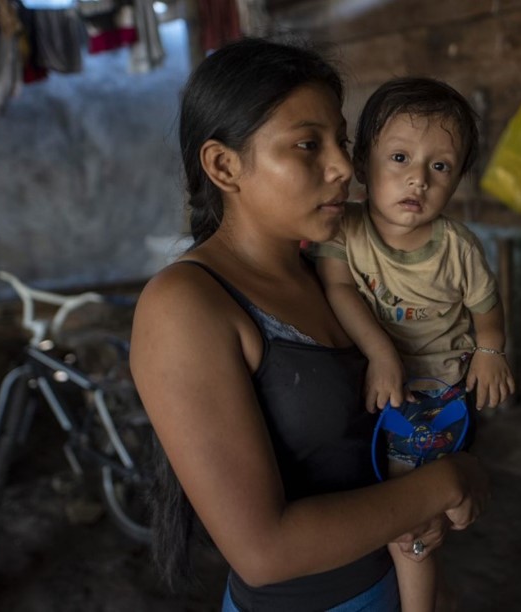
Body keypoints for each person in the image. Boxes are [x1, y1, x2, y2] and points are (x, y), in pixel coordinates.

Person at [129, 38, 490, 612]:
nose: (345, 166)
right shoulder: (187, 306)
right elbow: (264, 550)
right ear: (225, 165)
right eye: (307, 144)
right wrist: (448, 483)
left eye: (342, 142)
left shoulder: (333, 276)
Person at [313, 77, 515, 612]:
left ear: (458, 180)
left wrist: (491, 352)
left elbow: (486, 309)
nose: (418, 180)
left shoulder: (458, 249)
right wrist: (381, 353)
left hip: (434, 393)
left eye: (440, 166)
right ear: (362, 165)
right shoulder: (345, 232)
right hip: (383, 377)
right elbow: (337, 287)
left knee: (411, 522)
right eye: (399, 157)